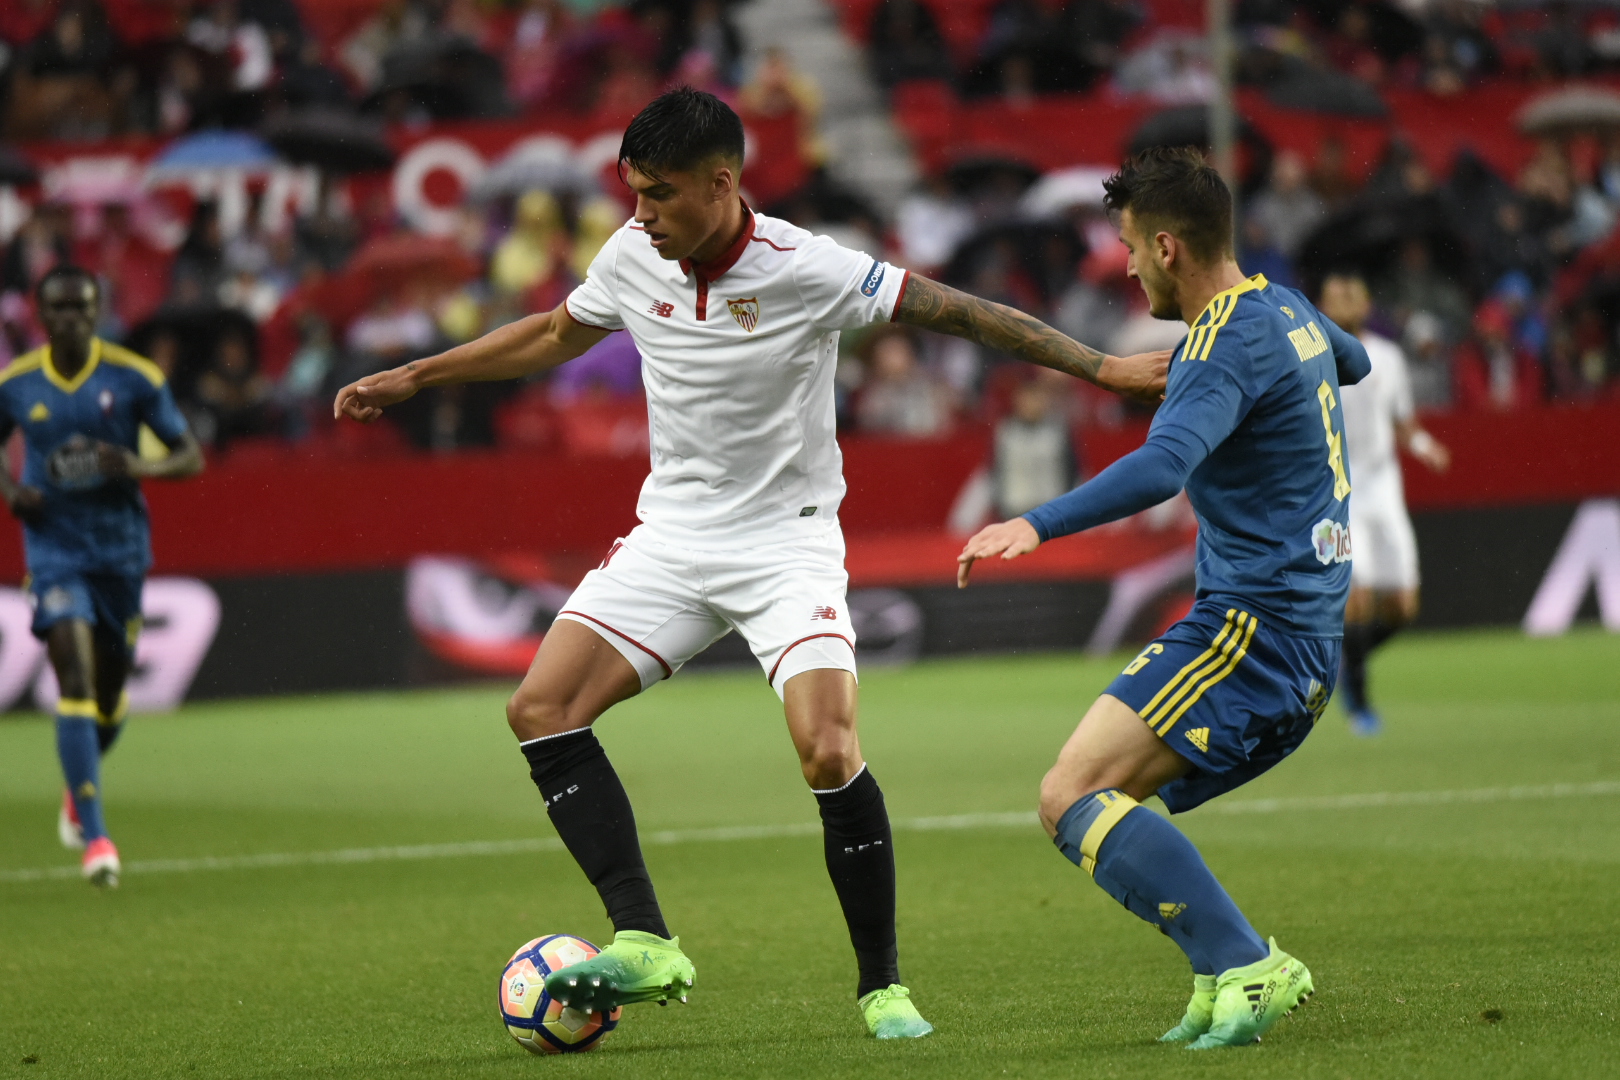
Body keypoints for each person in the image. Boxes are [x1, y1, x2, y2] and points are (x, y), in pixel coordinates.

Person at [334, 88, 1166, 1039]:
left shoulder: (806, 266)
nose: (638, 213)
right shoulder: (628, 256)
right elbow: (554, 334)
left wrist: (1099, 367)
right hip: (674, 537)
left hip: (786, 543)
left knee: (827, 749)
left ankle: (882, 986)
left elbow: (957, 312)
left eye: (657, 194)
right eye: (631, 193)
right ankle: (645, 939)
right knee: (540, 709)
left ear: (722, 184)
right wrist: (419, 374)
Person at [957, 147, 1371, 1049]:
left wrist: (1036, 523)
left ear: (1170, 247)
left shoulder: (1222, 340)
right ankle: (1223, 969)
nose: (1129, 265)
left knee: (1071, 794)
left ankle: (1248, 961)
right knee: (1095, 790)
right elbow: (1356, 364)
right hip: (1296, 629)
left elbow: (1161, 466)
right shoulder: (1286, 308)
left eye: (1132, 249)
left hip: (1252, 630)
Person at [0, 266, 204, 887]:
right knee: (76, 675)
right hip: (55, 550)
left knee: (110, 698)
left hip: (119, 553)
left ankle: (75, 785)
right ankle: (96, 835)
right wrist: (12, 491)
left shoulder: (134, 378)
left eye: (81, 309)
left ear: (96, 313)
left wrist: (135, 463)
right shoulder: (16, 384)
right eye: (58, 310)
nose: (70, 320)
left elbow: (190, 455)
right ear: (41, 315)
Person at [1316, 271, 1450, 736]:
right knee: (1356, 600)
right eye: (1337, 294)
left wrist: (1426, 446)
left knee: (1402, 607)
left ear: (1368, 302)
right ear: (1323, 306)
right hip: (1336, 493)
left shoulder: (1389, 357)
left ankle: (1340, 665)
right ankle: (1359, 700)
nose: (1348, 299)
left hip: (1383, 488)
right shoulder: (1311, 357)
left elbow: (1402, 421)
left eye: (1354, 291)